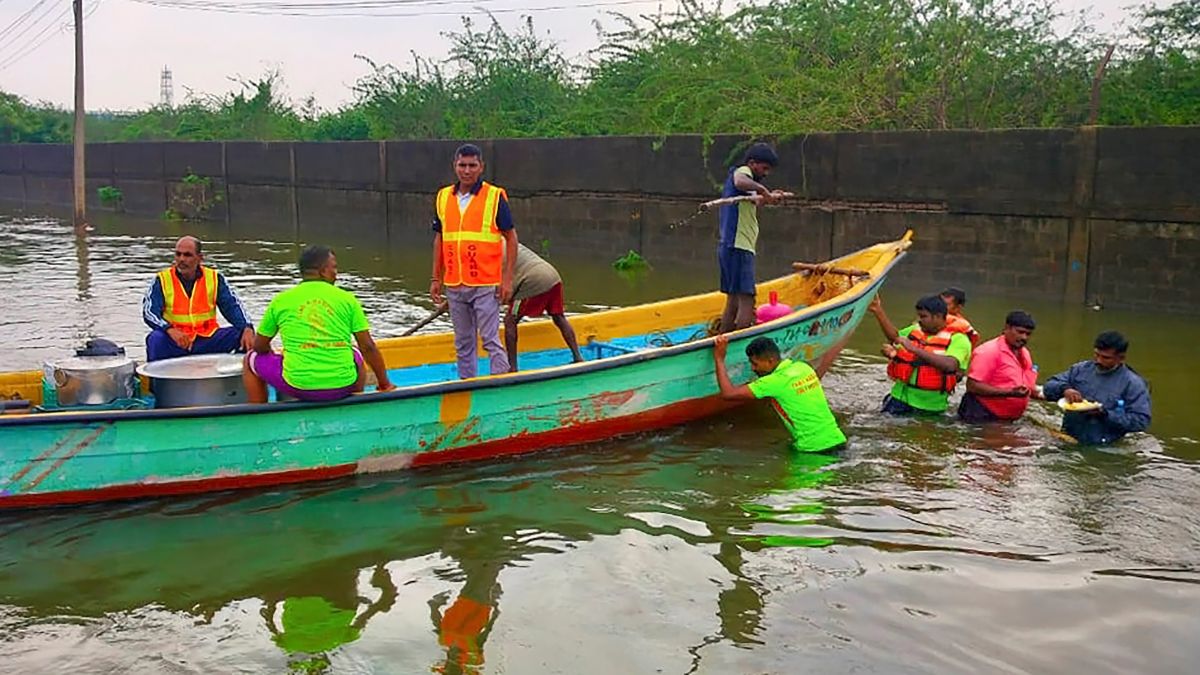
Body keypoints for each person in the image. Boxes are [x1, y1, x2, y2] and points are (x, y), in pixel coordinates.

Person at [243, 245, 394, 403]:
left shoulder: (281, 300)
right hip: (343, 386)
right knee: (355, 353)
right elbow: (368, 347)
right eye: (334, 268)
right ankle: (353, 402)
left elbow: (259, 347)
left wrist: (276, 355)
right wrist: (384, 384)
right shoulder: (348, 299)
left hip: (299, 386)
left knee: (250, 358)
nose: (336, 274)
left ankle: (259, 411)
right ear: (322, 271)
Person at [430, 144, 519, 379]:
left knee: (490, 340)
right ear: (455, 166)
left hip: (485, 282)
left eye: (472, 165)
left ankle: (500, 383)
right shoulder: (443, 197)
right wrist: (435, 278)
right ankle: (467, 384)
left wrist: (507, 279)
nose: (466, 170)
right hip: (455, 283)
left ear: (481, 167)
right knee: (463, 342)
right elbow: (440, 239)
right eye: (462, 165)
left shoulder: (493, 196)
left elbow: (511, 237)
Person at [712, 334, 847, 452]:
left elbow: (728, 394)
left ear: (770, 361)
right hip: (838, 439)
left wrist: (719, 358)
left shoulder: (772, 383)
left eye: (755, 364)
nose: (753, 369)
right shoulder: (803, 368)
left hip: (813, 449)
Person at [142, 235, 255, 361]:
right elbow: (149, 313)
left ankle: (245, 377)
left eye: (187, 255)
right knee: (155, 339)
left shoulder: (214, 278)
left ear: (200, 258)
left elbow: (232, 307)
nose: (181, 259)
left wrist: (247, 327)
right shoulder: (162, 280)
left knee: (243, 335)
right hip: (177, 341)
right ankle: (155, 380)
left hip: (207, 339)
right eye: (178, 254)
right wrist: (169, 329)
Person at [717, 143, 787, 333]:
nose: (766, 173)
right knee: (747, 299)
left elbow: (756, 201)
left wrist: (771, 197)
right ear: (752, 163)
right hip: (739, 245)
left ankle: (723, 341)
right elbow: (740, 181)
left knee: (733, 300)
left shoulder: (749, 186)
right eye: (764, 168)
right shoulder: (742, 172)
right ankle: (743, 345)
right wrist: (764, 190)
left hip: (730, 246)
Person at [869, 294, 972, 415]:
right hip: (898, 398)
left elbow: (950, 365)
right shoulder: (916, 329)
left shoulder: (959, 339)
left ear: (938, 316)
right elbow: (895, 338)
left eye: (923, 316)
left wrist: (913, 349)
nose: (919, 319)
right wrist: (878, 310)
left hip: (930, 407)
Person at [1042, 331, 1151, 444]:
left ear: (1121, 358)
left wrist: (1104, 414)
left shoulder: (1133, 384)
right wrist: (1064, 388)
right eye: (1096, 354)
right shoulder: (1080, 369)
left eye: (1105, 358)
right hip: (1067, 438)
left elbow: (1141, 421)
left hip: (1105, 445)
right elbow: (1049, 386)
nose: (1098, 361)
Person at [504, 243, 584, 372]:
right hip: (552, 276)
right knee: (559, 317)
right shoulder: (510, 242)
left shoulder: (492, 249)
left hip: (533, 280)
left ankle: (512, 368)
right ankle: (578, 357)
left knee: (510, 321)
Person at [957, 311, 1040, 422]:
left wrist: (1052, 395)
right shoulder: (988, 351)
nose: (1024, 337)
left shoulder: (1024, 353)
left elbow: (1026, 386)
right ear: (1007, 328)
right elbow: (973, 386)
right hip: (981, 413)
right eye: (1020, 332)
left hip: (1006, 418)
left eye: (1028, 334)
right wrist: (1010, 393)